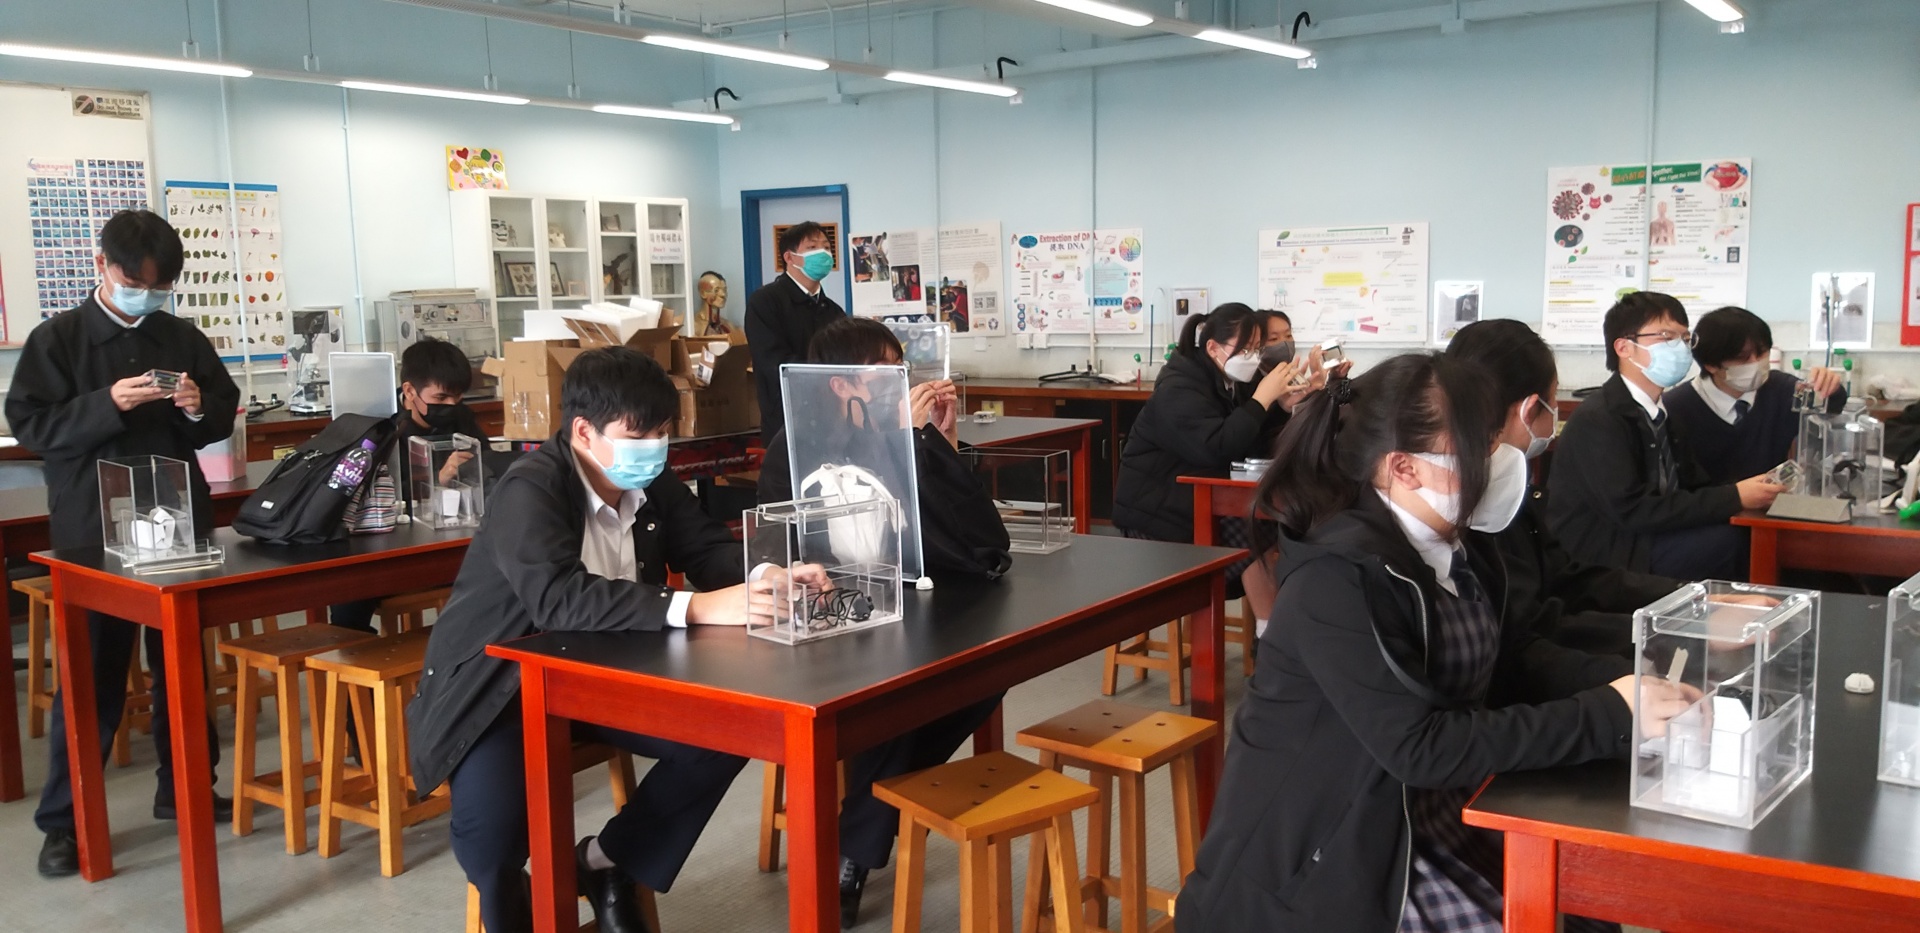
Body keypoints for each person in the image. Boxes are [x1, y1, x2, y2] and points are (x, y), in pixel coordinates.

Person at [1174, 353, 1699, 932]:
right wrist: (1611, 713)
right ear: (1404, 468)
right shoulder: (1336, 579)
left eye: (1493, 438)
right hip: (1338, 860)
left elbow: (1511, 658)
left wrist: (1632, 684)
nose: (1500, 459)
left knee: (1585, 909)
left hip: (1432, 811)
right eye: (1477, 446)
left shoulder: (1460, 544)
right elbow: (1419, 748)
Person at [407, 347, 815, 933]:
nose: (654, 445)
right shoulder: (530, 489)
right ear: (583, 431)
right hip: (502, 690)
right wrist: (697, 606)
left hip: (610, 674)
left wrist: (768, 572)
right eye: (637, 434)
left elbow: (704, 548)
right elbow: (558, 599)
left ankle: (606, 863)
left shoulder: (647, 479)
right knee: (493, 842)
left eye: (662, 431)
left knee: (729, 730)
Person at [8, 209, 242, 878]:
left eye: (160, 287)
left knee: (180, 666)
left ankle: (186, 786)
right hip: (94, 530)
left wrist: (197, 405)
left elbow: (219, 411)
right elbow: (30, 425)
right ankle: (64, 821)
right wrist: (108, 402)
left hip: (175, 520)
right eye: (136, 284)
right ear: (102, 266)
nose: (148, 296)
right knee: (92, 677)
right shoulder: (58, 339)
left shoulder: (180, 335)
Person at [756, 317, 1009, 929]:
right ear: (842, 384)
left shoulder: (899, 432)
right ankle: (857, 847)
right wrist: (900, 440)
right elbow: (785, 544)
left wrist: (937, 445)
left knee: (982, 675)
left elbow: (981, 544)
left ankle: (860, 826)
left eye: (902, 367)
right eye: (886, 369)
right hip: (828, 610)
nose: (902, 380)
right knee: (898, 693)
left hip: (903, 606)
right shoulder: (797, 443)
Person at [1445, 320, 1680, 659]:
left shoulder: (1507, 485)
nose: (1555, 411)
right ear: (1530, 408)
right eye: (1554, 397)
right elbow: (1535, 630)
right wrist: (1661, 635)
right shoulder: (1474, 505)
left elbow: (1567, 580)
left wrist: (1680, 599)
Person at [1547, 292, 1782, 580]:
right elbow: (1632, 510)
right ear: (1624, 347)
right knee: (1728, 544)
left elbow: (1692, 487)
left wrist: (1750, 491)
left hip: (1648, 535)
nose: (1680, 348)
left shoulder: (1662, 411)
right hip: (1608, 548)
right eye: (1666, 337)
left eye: (1684, 338)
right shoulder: (1599, 418)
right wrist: (1735, 496)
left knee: (1747, 530)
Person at [1113, 303, 1317, 625]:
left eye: (1256, 349)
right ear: (1212, 347)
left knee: (1276, 524)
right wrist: (1261, 399)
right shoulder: (1179, 386)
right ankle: (1270, 635)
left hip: (1196, 499)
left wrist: (1280, 406)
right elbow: (1215, 448)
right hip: (1156, 510)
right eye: (1245, 349)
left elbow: (1252, 441)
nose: (1252, 358)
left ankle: (1272, 633)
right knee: (1257, 533)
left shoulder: (1232, 379)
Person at [327, 338, 487, 634]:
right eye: (440, 398)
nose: (450, 406)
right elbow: (375, 491)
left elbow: (484, 465)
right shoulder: (380, 428)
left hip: (451, 541)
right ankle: (355, 653)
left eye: (457, 398)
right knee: (349, 595)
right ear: (410, 391)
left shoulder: (462, 418)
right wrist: (437, 480)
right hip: (389, 543)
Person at [1664, 306, 1845, 485]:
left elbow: (1830, 406)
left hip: (1772, 501)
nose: (1755, 363)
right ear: (1711, 365)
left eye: (1761, 352)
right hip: (1709, 503)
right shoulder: (1674, 408)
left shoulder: (1780, 389)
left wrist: (1830, 387)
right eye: (1742, 357)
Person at [746, 221, 845, 442]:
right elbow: (772, 361)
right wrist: (825, 374)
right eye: (812, 247)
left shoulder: (833, 310)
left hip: (832, 421)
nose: (823, 254)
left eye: (826, 247)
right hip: (786, 421)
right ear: (789, 257)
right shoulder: (765, 302)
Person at [696, 270, 731, 336]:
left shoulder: (727, 325)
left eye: (724, 290)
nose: (723, 294)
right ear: (703, 293)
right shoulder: (695, 326)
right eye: (716, 290)